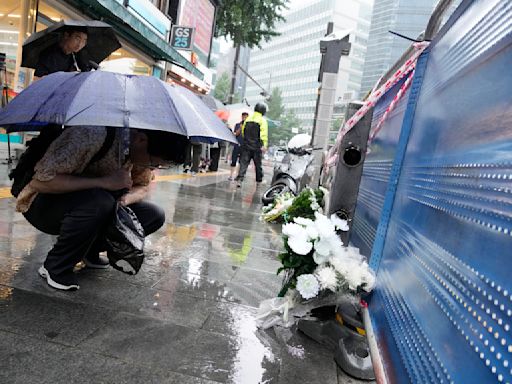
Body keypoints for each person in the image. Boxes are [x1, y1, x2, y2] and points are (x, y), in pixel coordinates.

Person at [16, 125, 188, 291]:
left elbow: (142, 186)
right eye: (153, 163)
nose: (152, 168)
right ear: (141, 140)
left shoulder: (135, 153)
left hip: (91, 205)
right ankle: (55, 266)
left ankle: (88, 251)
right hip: (42, 205)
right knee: (101, 202)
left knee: (153, 215)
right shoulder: (90, 135)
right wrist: (104, 182)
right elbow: (41, 182)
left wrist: (126, 199)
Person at [235, 103, 268, 187]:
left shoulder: (248, 119)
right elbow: (263, 134)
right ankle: (259, 181)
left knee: (243, 163)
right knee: (258, 165)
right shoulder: (262, 120)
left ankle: (240, 179)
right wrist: (264, 145)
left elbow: (243, 131)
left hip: (246, 145)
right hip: (257, 146)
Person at [228, 112, 248, 181]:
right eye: (243, 116)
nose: (244, 118)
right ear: (241, 117)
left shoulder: (248, 126)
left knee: (241, 161)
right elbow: (236, 134)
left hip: (244, 146)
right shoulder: (237, 125)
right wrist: (240, 128)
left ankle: (238, 175)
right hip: (237, 145)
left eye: (246, 117)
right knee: (233, 160)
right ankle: (231, 175)